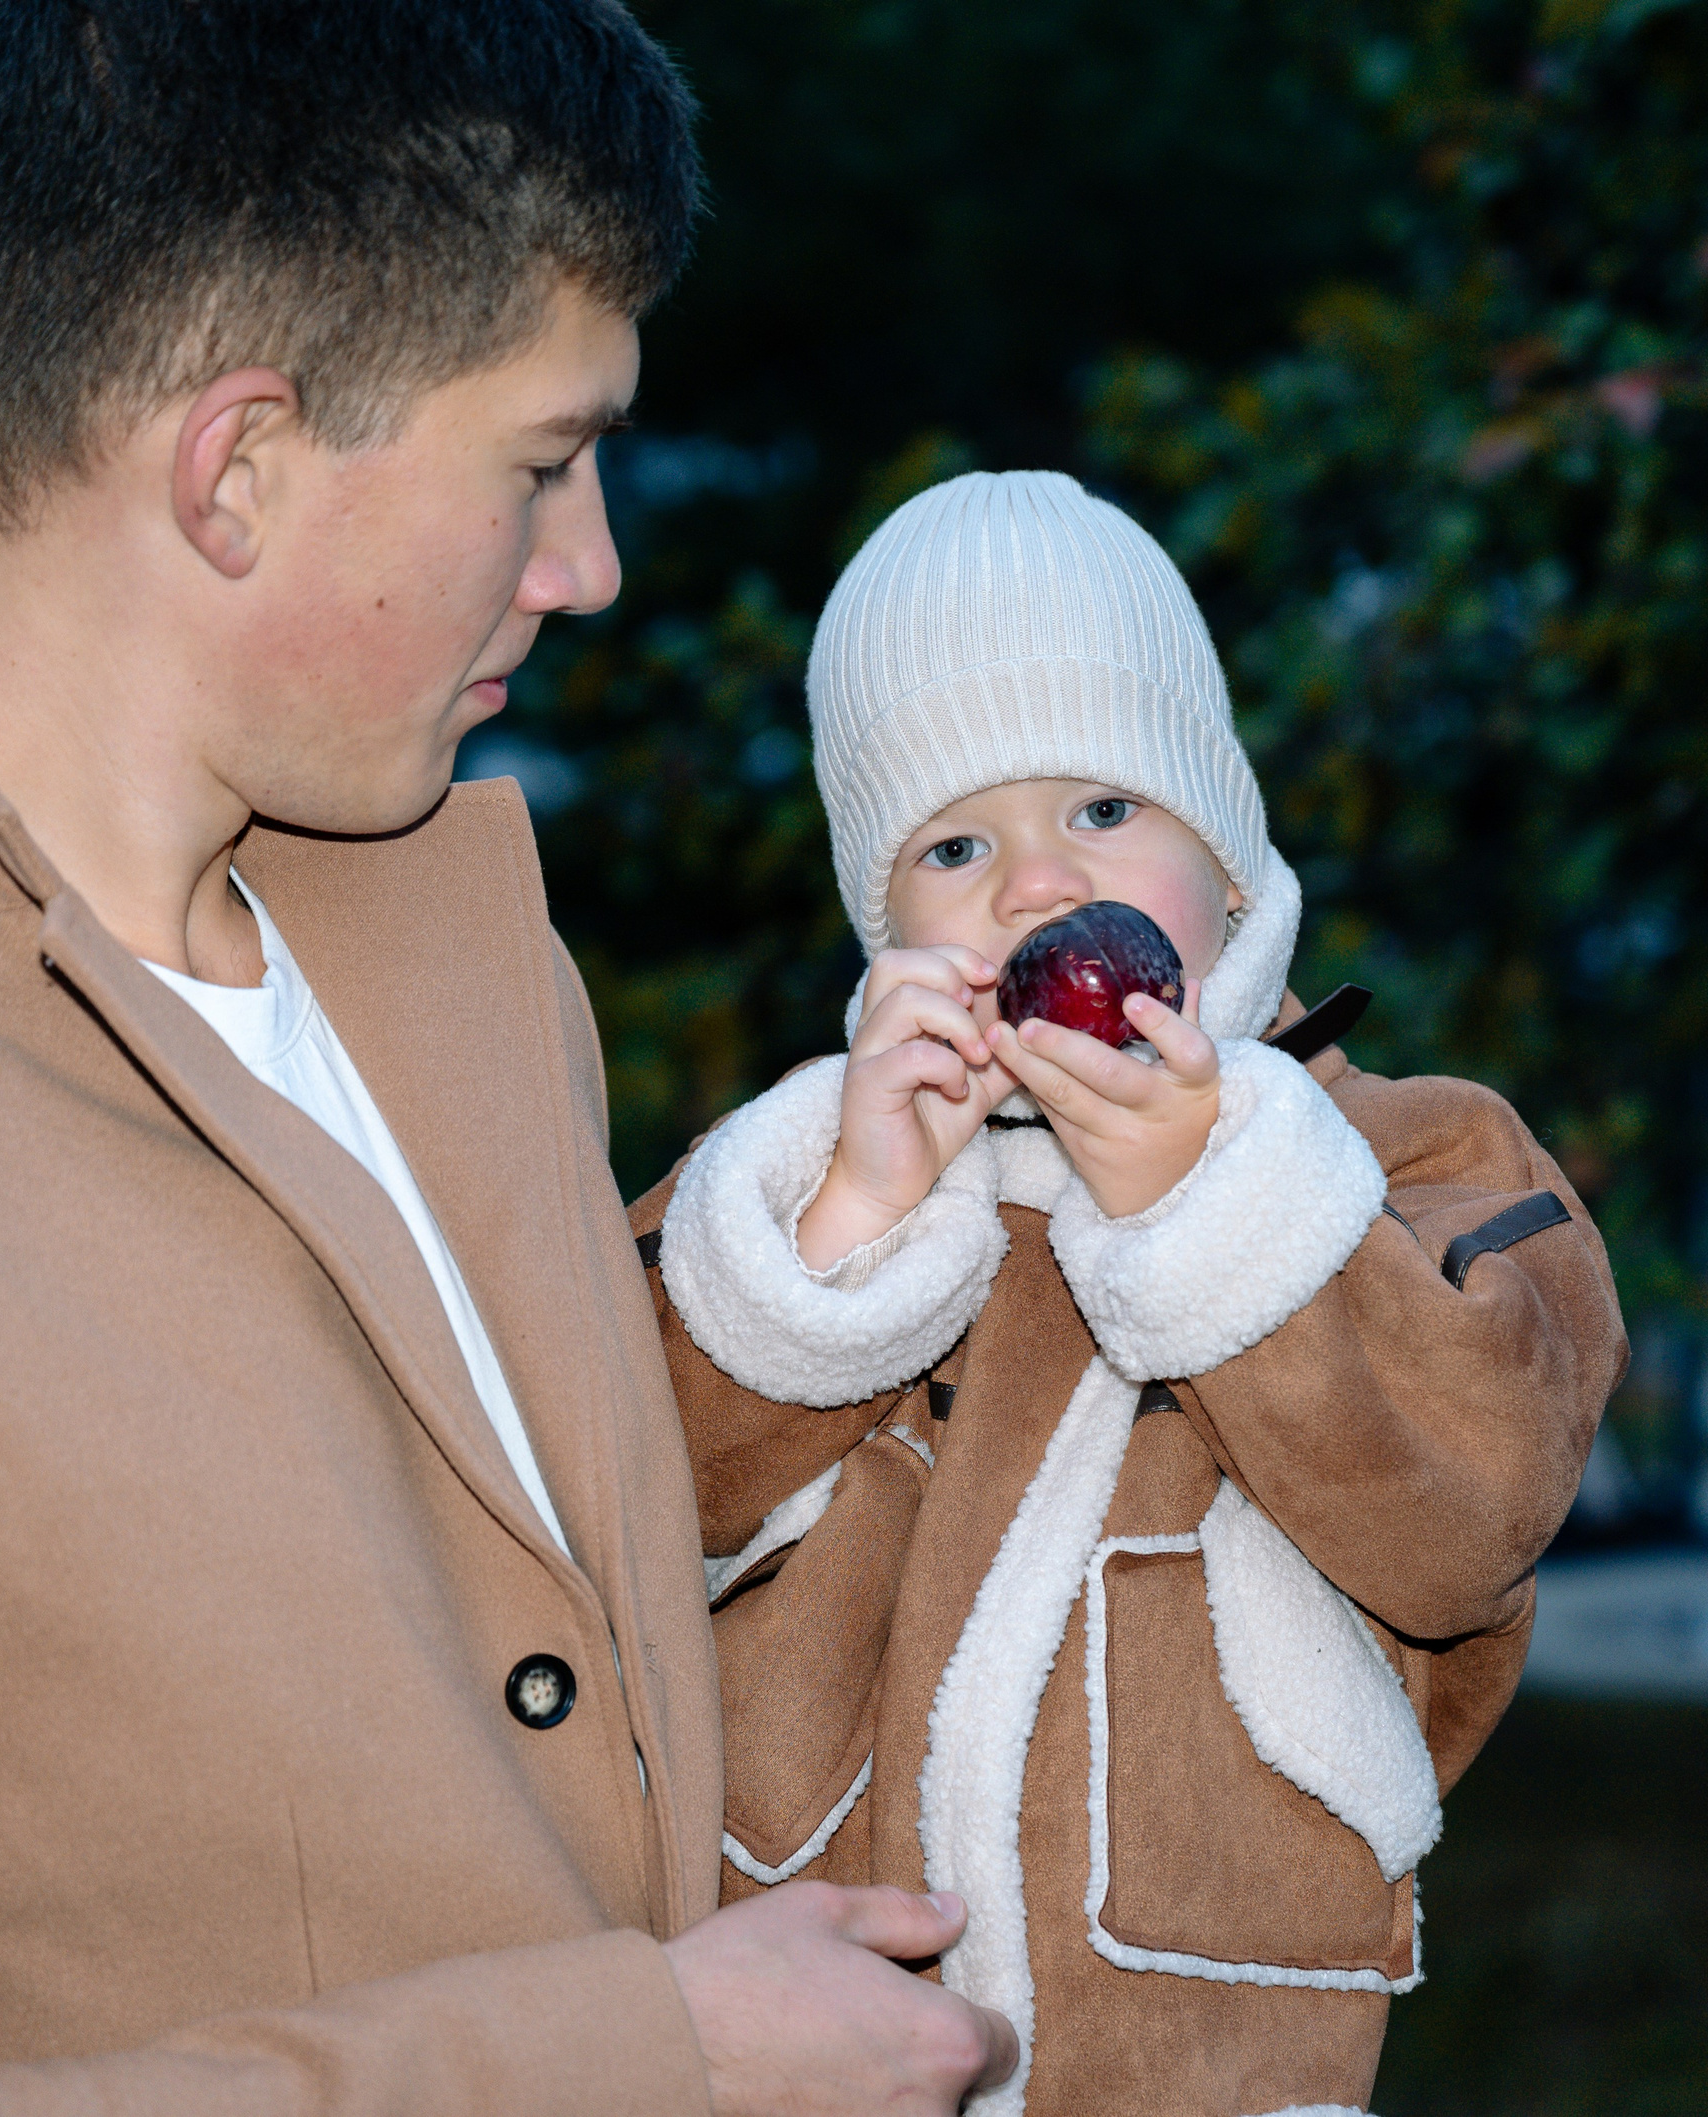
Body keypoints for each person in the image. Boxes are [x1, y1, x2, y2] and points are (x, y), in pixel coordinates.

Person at [0, 7, 1017, 2114]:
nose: (589, 566)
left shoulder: (461, 957)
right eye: (540, 463)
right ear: (235, 469)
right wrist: (642, 2063)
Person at [633, 471, 1628, 2117]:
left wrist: (1212, 1206)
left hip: (1216, 2040)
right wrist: (849, 1223)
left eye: (1103, 808)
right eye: (957, 844)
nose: (1036, 883)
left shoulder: (1412, 1159)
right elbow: (610, 1499)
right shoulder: (791, 1179)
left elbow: (1478, 1507)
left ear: (1228, 862)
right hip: (832, 2036)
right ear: (884, 923)